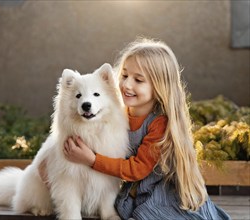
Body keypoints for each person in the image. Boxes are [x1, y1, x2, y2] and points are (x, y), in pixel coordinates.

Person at [61, 38, 231, 220]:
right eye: (124, 75)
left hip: (163, 196)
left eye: (138, 80)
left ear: (159, 87)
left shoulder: (159, 123)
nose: (126, 85)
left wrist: (92, 159)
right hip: (136, 193)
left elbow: (137, 169)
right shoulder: (118, 114)